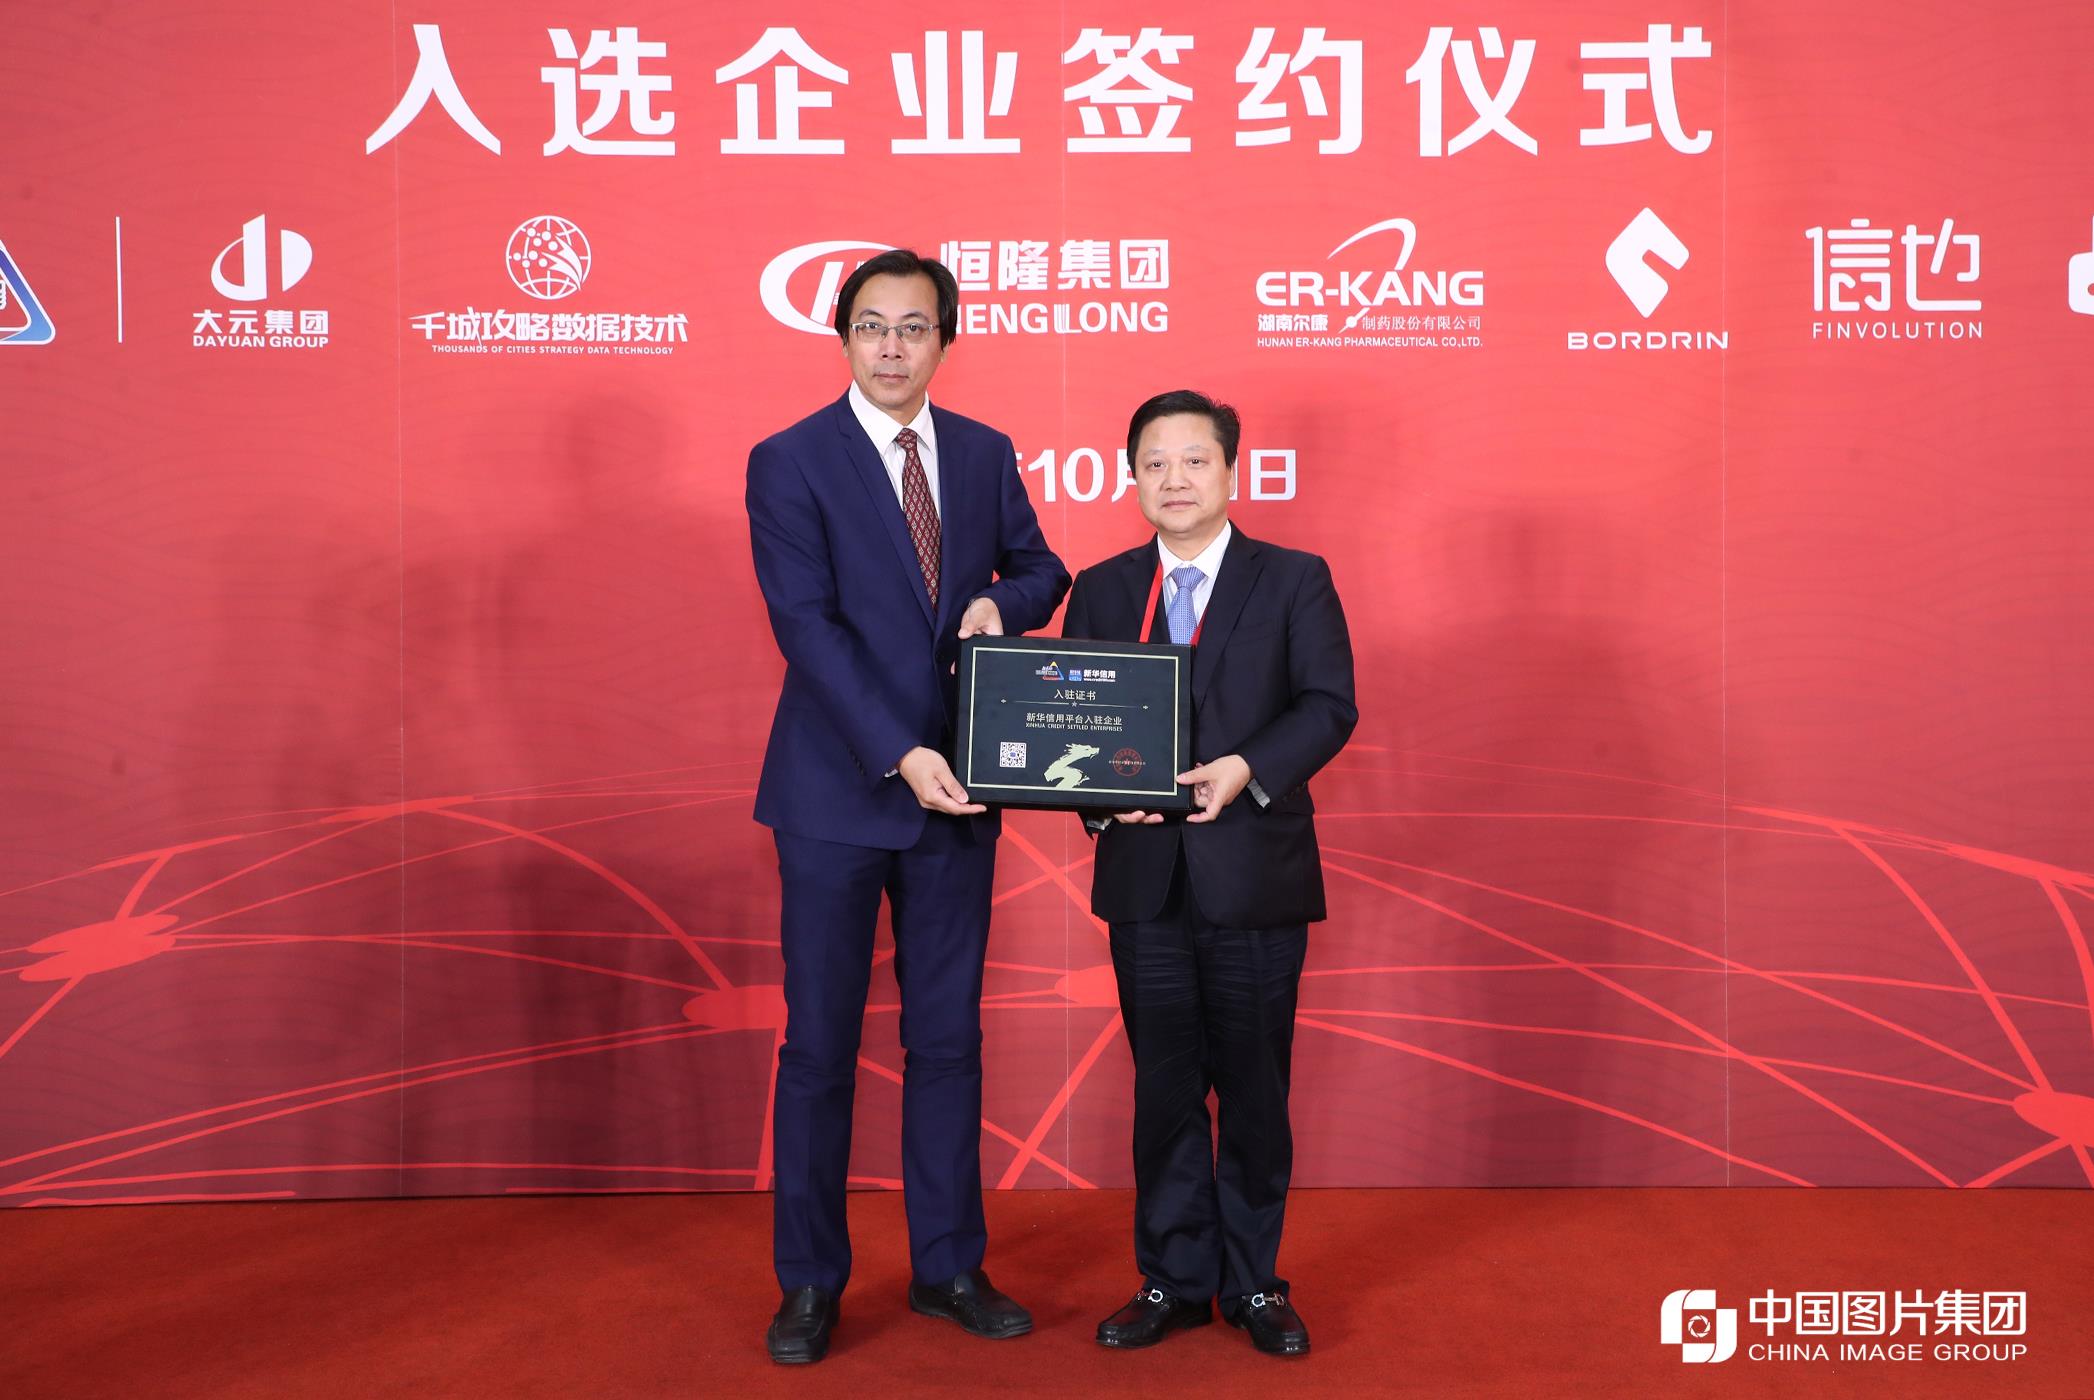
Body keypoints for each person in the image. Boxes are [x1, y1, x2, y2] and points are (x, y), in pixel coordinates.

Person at [744, 248, 1071, 1364]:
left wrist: (998, 603)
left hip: (961, 796)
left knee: (947, 1040)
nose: (893, 346)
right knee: (820, 1047)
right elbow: (806, 625)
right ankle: (809, 1281)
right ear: (843, 337)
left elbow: (1041, 567)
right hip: (835, 795)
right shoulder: (790, 459)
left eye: (914, 327)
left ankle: (948, 1265)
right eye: (873, 326)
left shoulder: (981, 452)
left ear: (946, 339)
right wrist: (898, 750)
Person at [1062, 389, 1357, 1358]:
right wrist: (1102, 797)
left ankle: (1256, 1283)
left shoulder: (1294, 578)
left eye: (1194, 460)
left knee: (1256, 1089)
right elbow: (1073, 723)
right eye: (1154, 463)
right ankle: (1173, 1278)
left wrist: (1247, 769)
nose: (1175, 479)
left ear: (1232, 471)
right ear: (1132, 478)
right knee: (1164, 1088)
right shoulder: (1104, 587)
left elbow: (1328, 704)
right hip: (1145, 881)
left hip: (1254, 876)